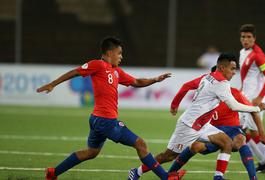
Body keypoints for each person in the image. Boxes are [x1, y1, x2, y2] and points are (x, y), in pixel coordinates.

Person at [37, 37, 184, 180]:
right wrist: (53, 84)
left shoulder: (116, 71)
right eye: (119, 53)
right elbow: (76, 71)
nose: (121, 57)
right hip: (106, 120)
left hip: (97, 119)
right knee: (140, 144)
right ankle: (165, 177)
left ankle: (53, 172)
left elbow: (136, 81)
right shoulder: (98, 65)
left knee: (91, 152)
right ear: (109, 53)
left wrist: (155, 79)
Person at [128, 53, 264, 180]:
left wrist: (175, 104)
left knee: (226, 142)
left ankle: (218, 177)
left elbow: (186, 85)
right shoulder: (221, 84)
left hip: (203, 125)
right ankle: (137, 172)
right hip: (189, 126)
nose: (234, 72)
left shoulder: (207, 76)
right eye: (232, 68)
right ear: (222, 67)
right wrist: (256, 108)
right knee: (168, 156)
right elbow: (233, 106)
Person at [166, 67, 265, 180]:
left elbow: (253, 112)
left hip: (232, 130)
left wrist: (262, 132)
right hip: (211, 130)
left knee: (240, 139)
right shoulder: (206, 94)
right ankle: (170, 173)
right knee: (195, 146)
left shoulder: (235, 93)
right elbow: (187, 88)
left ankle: (251, 178)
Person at [238, 24, 265, 172]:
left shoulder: (258, 55)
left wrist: (259, 97)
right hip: (245, 98)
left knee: (254, 133)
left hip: (256, 100)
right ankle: (263, 161)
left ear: (254, 38)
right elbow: (247, 79)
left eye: (249, 37)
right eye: (243, 37)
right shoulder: (243, 52)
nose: (246, 40)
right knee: (241, 132)